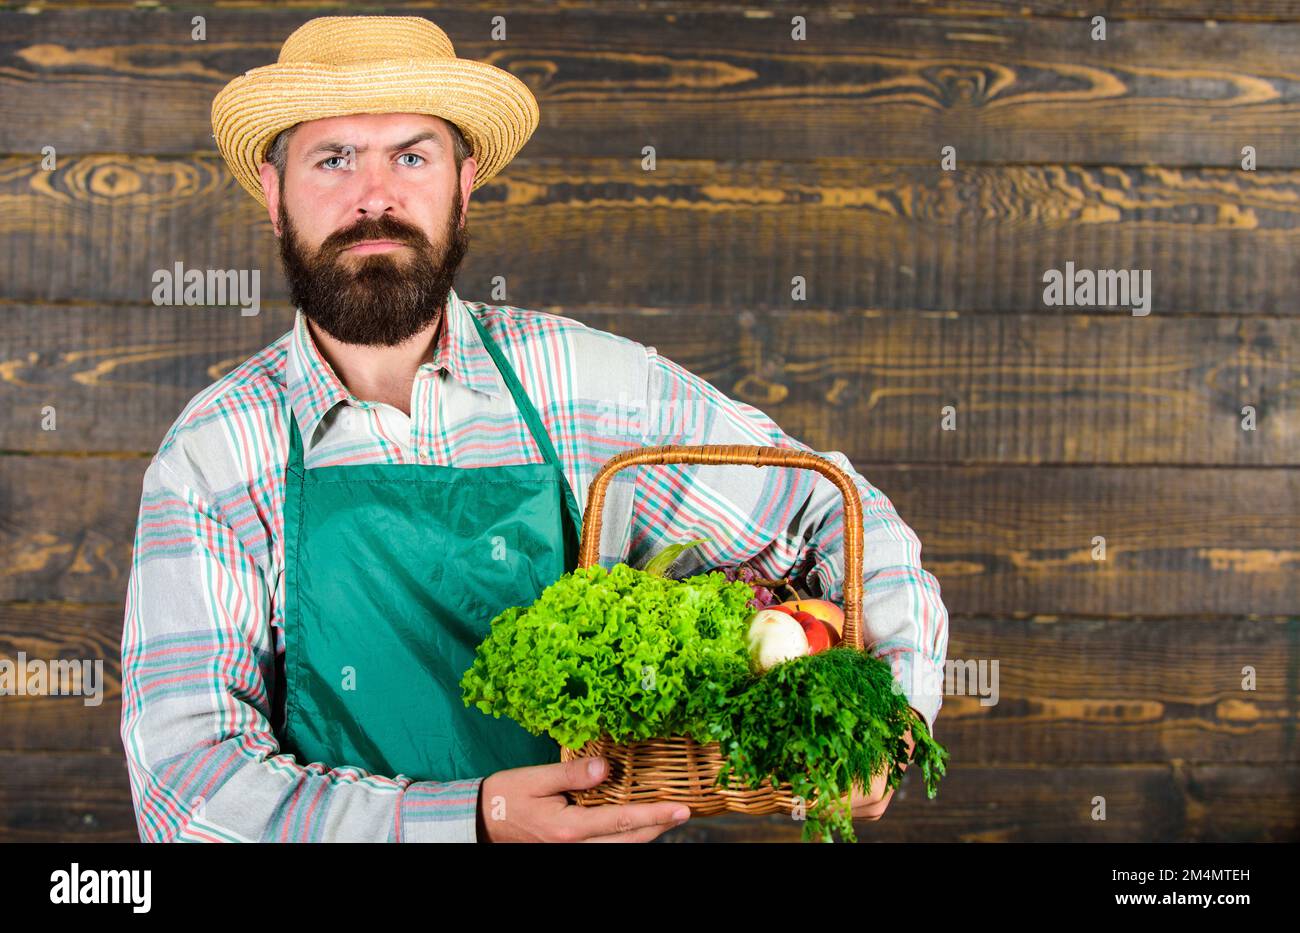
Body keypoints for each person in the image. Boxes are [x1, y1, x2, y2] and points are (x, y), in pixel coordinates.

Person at [120, 15, 948, 843]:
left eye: (412, 156)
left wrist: (891, 713)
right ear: (275, 193)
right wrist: (474, 819)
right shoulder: (215, 456)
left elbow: (839, 515)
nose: (375, 196)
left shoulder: (588, 388)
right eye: (333, 159)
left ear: (462, 183)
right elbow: (185, 788)